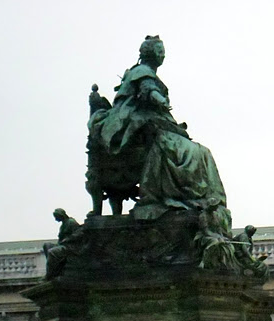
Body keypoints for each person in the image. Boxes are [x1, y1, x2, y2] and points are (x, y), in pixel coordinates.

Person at [86, 35, 226, 218]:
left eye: (163, 52)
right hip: (139, 124)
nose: (163, 55)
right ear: (151, 53)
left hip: (150, 122)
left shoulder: (142, 71)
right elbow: (148, 89)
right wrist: (160, 100)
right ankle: (186, 193)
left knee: (199, 152)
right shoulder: (142, 71)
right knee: (193, 152)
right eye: (160, 51)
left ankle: (196, 194)